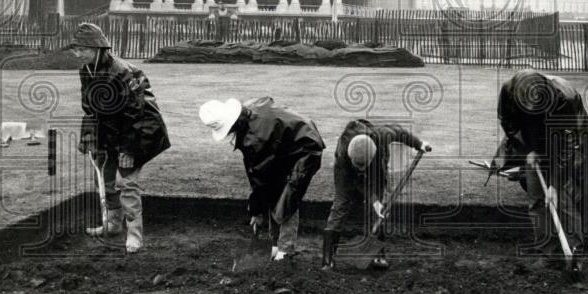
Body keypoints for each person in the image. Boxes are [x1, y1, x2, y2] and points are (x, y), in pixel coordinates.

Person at [72, 22, 170, 254]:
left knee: (126, 181)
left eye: (82, 49)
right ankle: (113, 224)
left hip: (139, 131)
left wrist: (129, 150)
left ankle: (134, 235)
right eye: (76, 49)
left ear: (97, 47)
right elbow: (90, 108)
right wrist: (88, 137)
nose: (78, 54)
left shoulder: (121, 71)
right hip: (110, 130)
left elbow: (133, 113)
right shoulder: (85, 70)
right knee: (104, 177)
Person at [199, 96, 325, 260]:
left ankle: (285, 250)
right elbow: (255, 171)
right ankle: (274, 244)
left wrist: (257, 212)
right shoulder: (248, 116)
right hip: (285, 145)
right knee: (275, 189)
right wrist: (256, 209)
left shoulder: (256, 139)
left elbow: (261, 179)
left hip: (306, 147)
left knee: (288, 194)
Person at [495, 69, 588, 274]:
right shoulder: (509, 91)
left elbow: (566, 143)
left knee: (562, 198)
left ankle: (575, 250)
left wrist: (555, 185)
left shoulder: (564, 99)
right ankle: (549, 253)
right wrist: (527, 150)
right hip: (533, 141)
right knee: (537, 199)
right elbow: (509, 124)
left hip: (567, 138)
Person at [321, 119, 431, 271]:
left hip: (377, 169)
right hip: (347, 174)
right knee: (340, 205)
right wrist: (374, 200)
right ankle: (328, 260)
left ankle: (378, 254)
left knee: (377, 211)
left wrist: (419, 144)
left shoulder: (383, 136)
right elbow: (357, 180)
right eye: (359, 166)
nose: (361, 170)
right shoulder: (343, 154)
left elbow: (400, 132)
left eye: (364, 166)